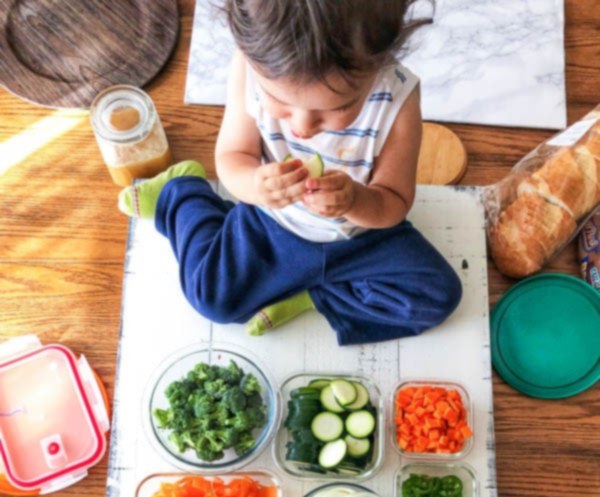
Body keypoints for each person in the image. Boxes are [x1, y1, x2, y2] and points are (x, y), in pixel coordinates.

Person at [119, 0, 462, 346]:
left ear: (377, 63)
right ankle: (181, 192)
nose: (302, 127)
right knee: (211, 299)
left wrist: (356, 200)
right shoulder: (249, 68)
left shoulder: (398, 98)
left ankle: (311, 297)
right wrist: (255, 185)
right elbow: (232, 157)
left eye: (337, 108)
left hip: (360, 237)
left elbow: (395, 202)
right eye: (279, 102)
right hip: (274, 223)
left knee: (438, 295)